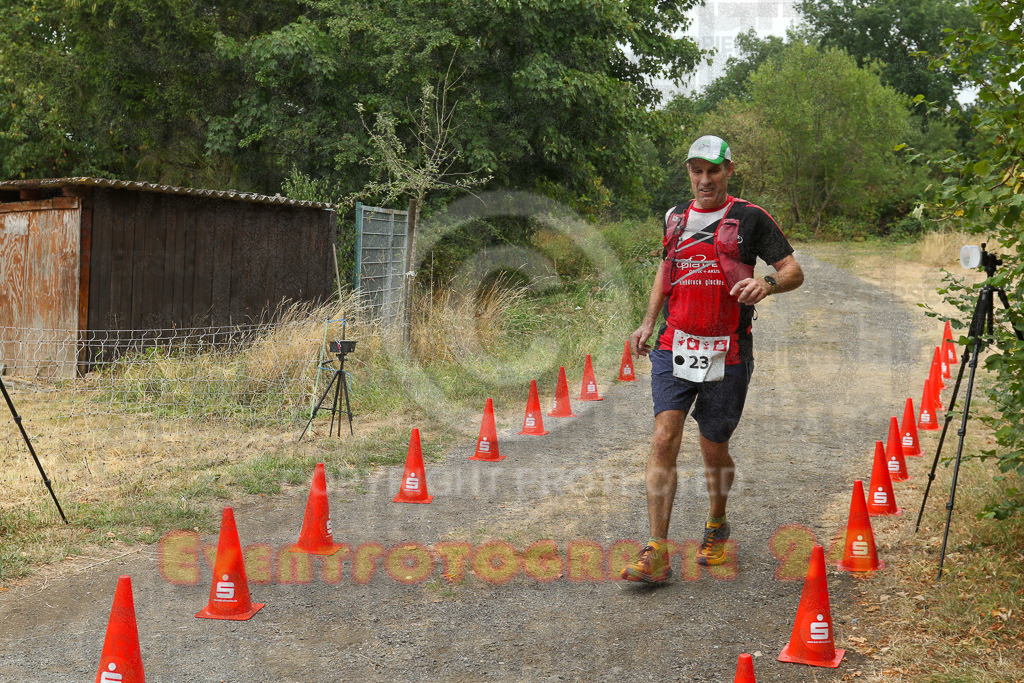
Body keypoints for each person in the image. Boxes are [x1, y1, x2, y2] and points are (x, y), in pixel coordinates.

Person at [621, 134, 804, 583]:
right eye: (696, 171)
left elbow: (793, 271)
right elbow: (667, 270)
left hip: (728, 350)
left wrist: (768, 284)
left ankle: (717, 525)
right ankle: (656, 549)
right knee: (664, 437)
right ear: (689, 171)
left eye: (713, 171)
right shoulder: (676, 217)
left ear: (728, 170)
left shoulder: (751, 218)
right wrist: (648, 323)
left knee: (712, 446)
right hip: (674, 344)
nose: (705, 180)